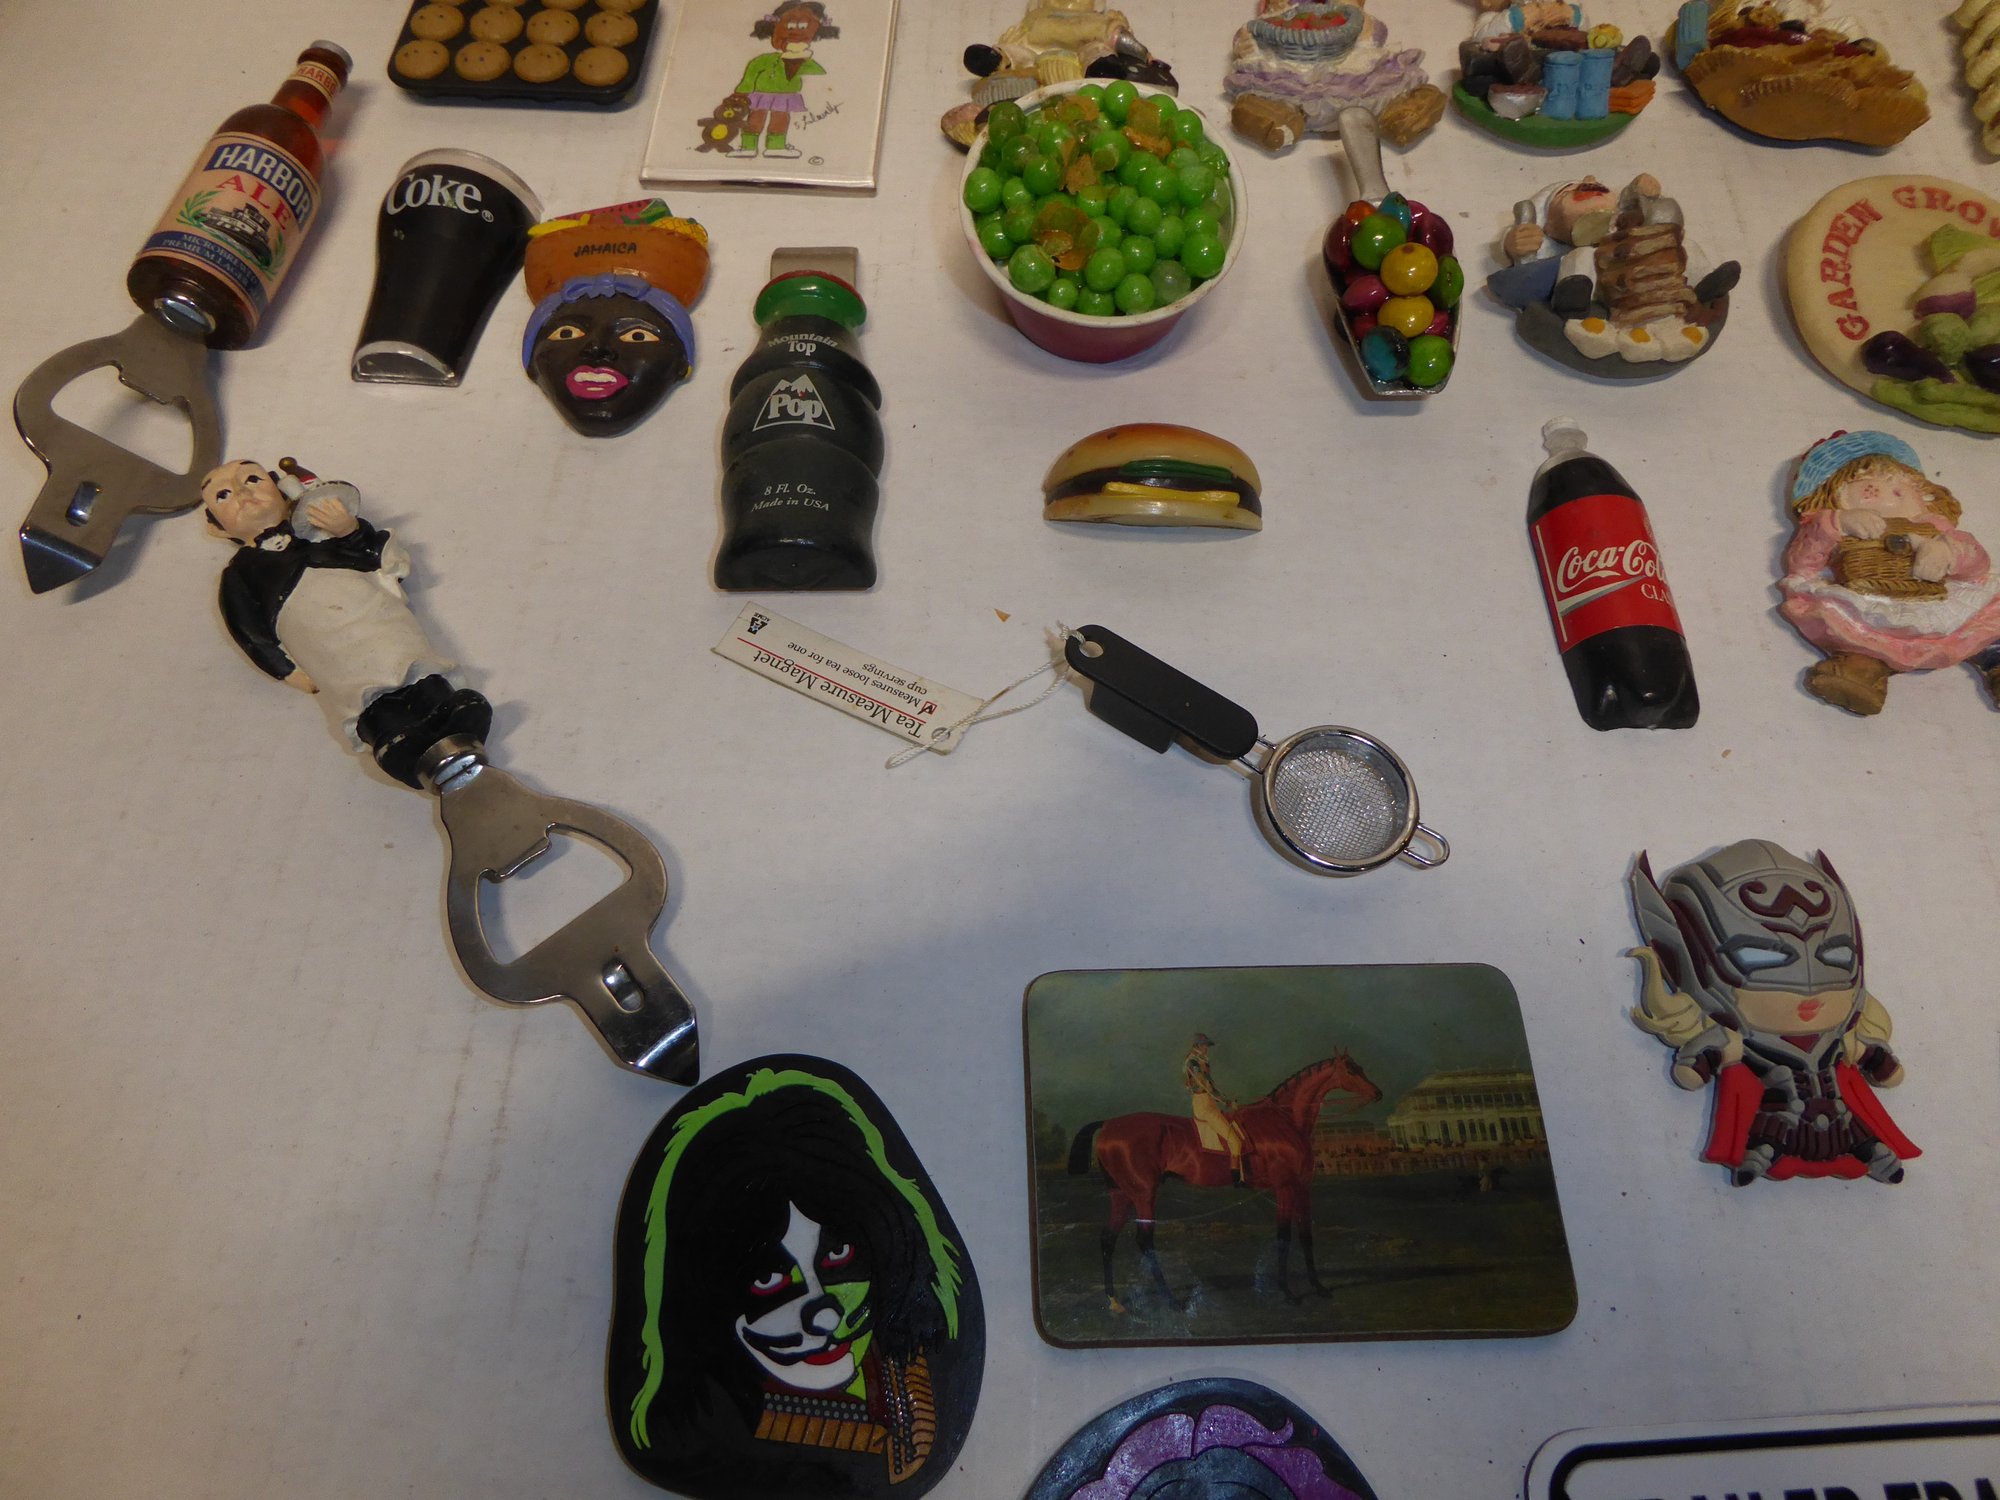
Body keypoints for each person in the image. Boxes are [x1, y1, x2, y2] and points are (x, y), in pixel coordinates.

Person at [615, 1065, 973, 1495]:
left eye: (838, 1256)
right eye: (769, 1280)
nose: (825, 1318)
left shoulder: (916, 1382)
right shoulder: (705, 1451)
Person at [1630, 840, 1918, 1186]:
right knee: (1770, 1138)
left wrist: (1878, 1059)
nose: (1807, 990)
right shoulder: (1739, 1039)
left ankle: (1875, 1157)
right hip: (1780, 1114)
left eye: (1836, 957)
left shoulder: (1838, 1037)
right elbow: (1700, 1064)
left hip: (1835, 1113)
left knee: (1854, 1132)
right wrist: (1701, 1060)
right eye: (1761, 959)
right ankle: (1756, 1161)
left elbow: (1877, 1061)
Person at [202, 458, 491, 785]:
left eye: (252, 479)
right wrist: (289, 672)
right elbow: (250, 633)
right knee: (363, 691)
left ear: (280, 489)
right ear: (216, 527)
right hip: (328, 649)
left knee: (404, 660)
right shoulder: (239, 576)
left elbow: (373, 557)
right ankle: (392, 737)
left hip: (375, 619)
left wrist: (348, 530)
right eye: (223, 495)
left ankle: (446, 706)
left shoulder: (318, 529)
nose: (242, 492)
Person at [1779, 430, 2000, 714]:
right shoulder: (1835, 524)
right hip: (1869, 604)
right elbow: (1803, 565)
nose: (1888, 488)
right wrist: (1836, 524)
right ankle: (1860, 673)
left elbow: (1978, 564)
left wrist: (1948, 552)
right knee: (1856, 635)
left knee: (1985, 625)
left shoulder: (1933, 526)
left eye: (1900, 482)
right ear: (1835, 492)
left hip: (1941, 602)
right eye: (1866, 481)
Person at [732, 2, 839, 160]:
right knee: (756, 118)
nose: (795, 32)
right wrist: (742, 92)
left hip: (786, 95)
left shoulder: (804, 60)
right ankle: (748, 147)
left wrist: (803, 59)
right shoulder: (765, 59)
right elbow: (751, 73)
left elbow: (819, 72)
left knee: (781, 119)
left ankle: (776, 147)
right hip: (761, 93)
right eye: (790, 26)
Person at [1183, 1034, 1248, 1188]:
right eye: (1205, 1045)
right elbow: (1206, 1086)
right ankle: (1236, 1181)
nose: (1207, 1049)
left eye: (1207, 1046)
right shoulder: (1193, 1062)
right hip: (1204, 1105)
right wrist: (1227, 1102)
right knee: (1235, 1141)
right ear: (1198, 1046)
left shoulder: (1201, 1061)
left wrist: (1226, 1100)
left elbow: (1211, 1086)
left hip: (1209, 1103)